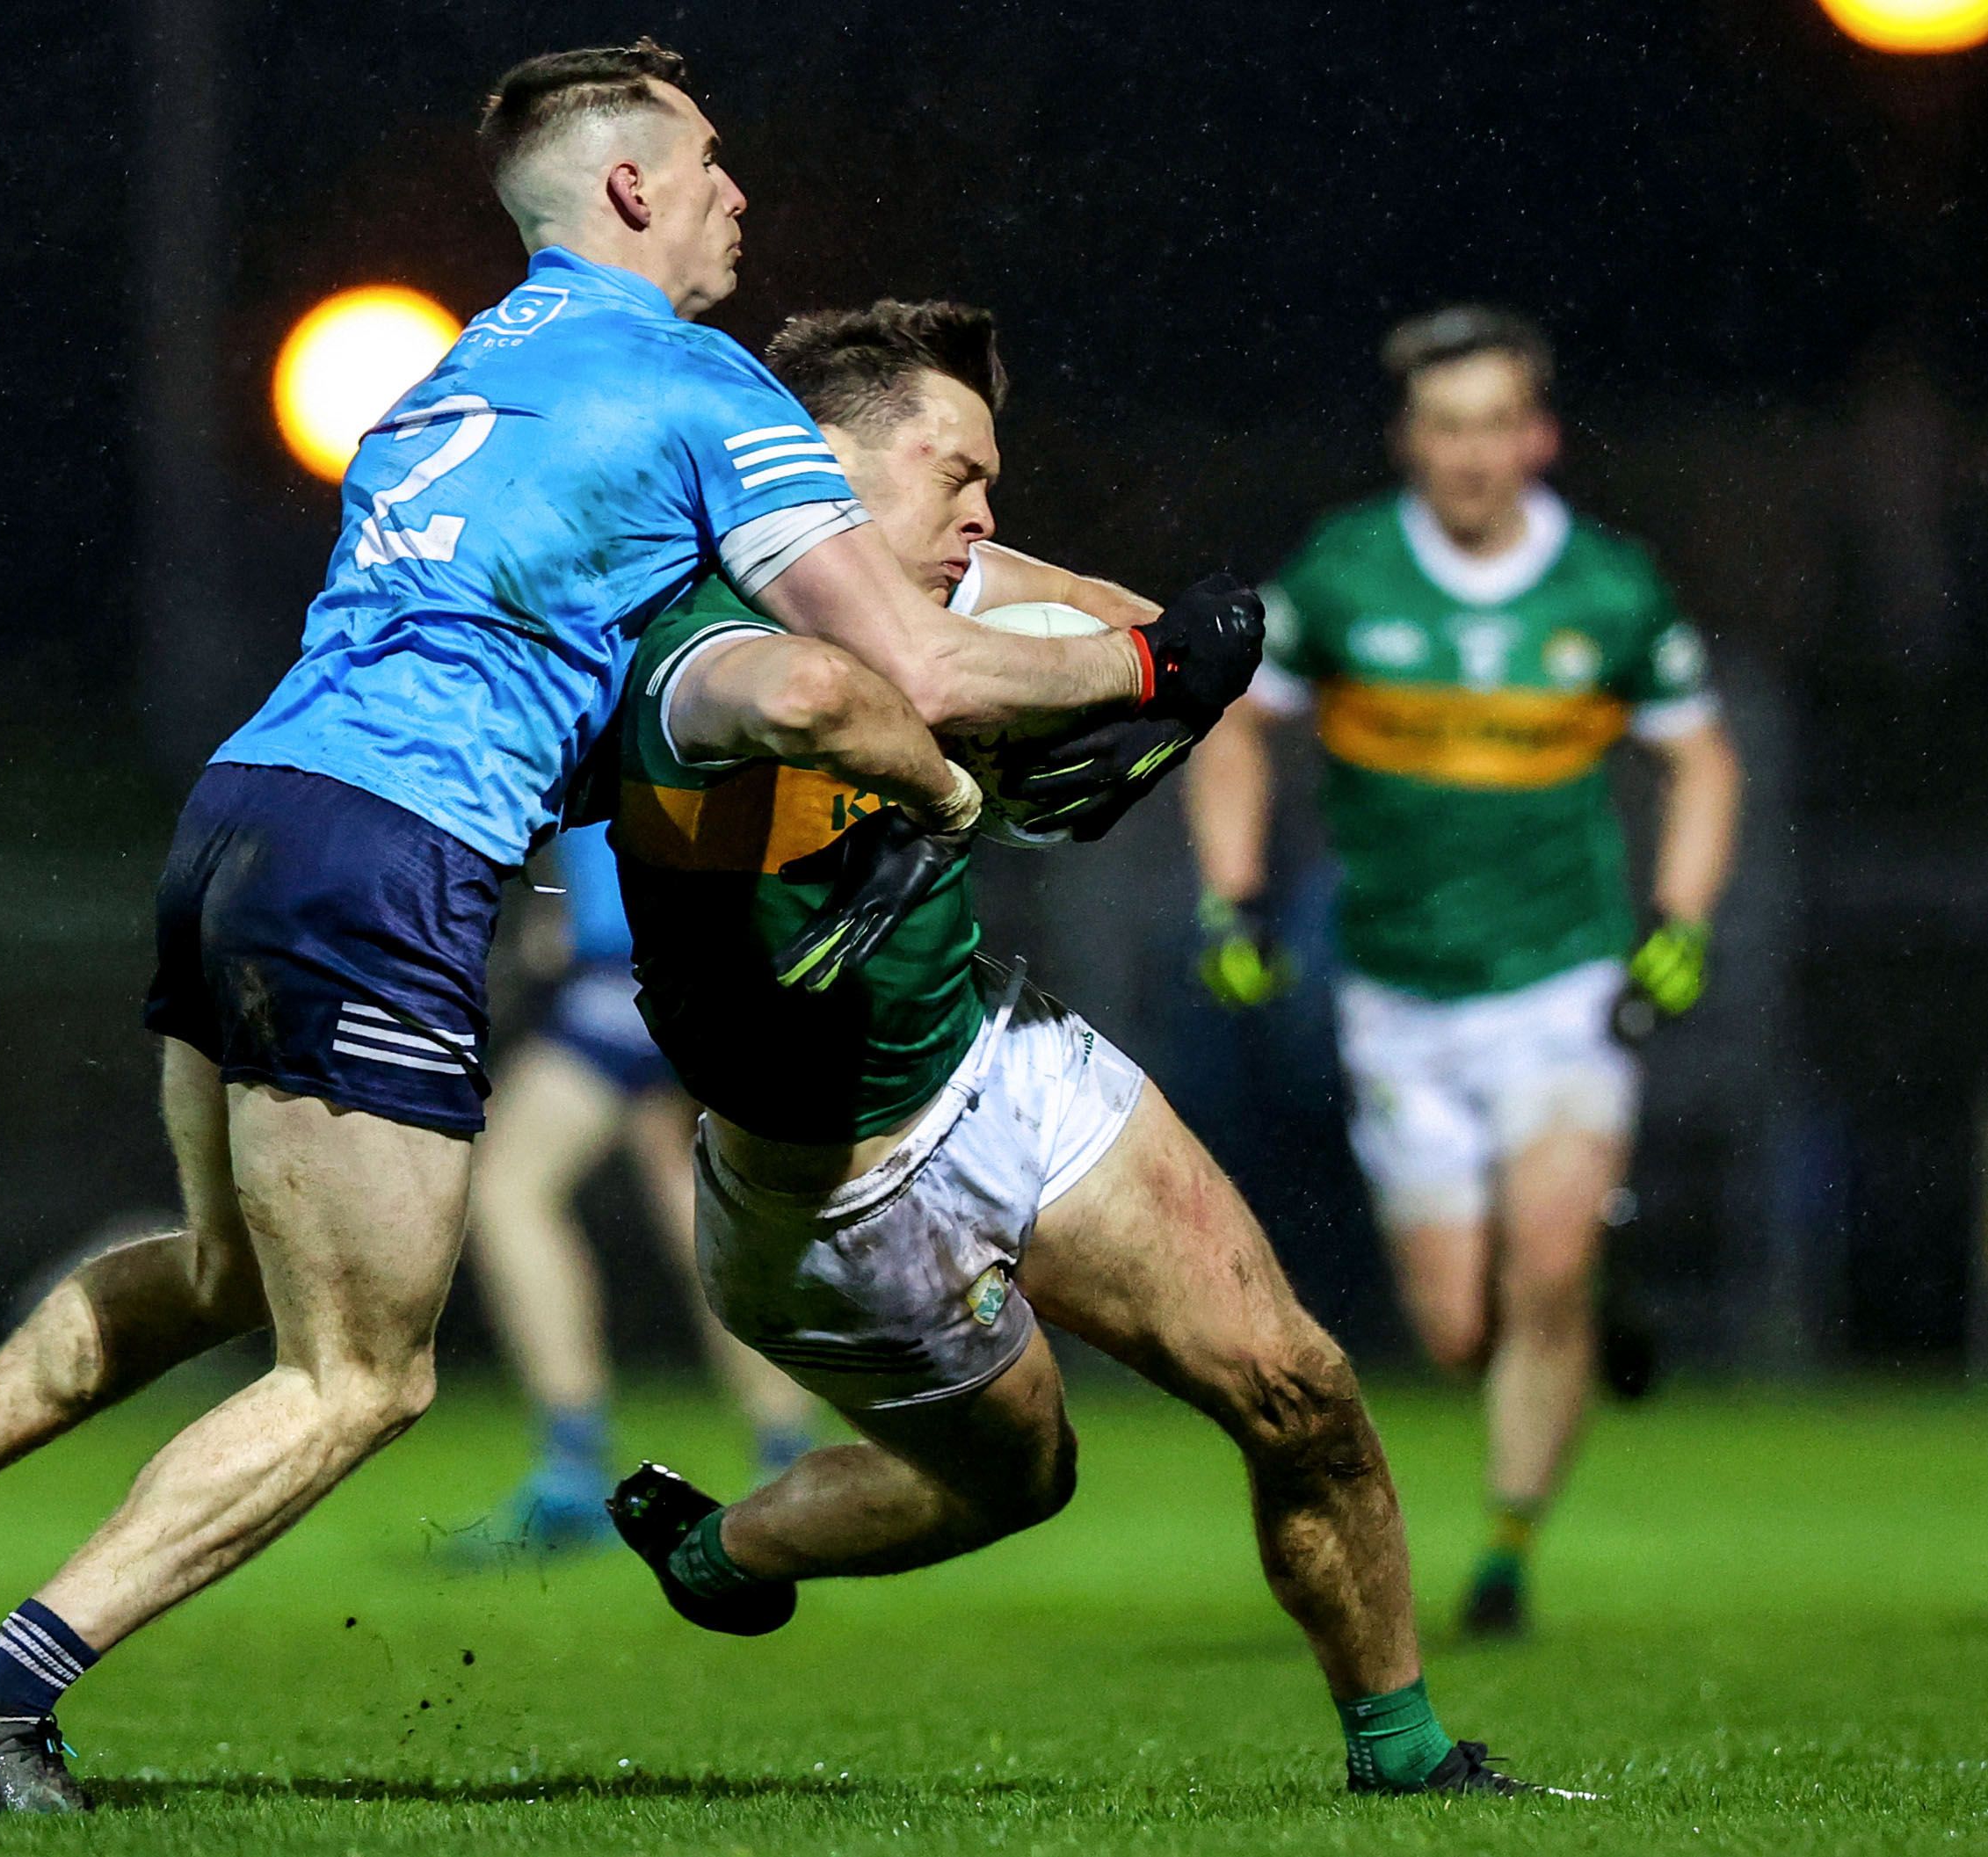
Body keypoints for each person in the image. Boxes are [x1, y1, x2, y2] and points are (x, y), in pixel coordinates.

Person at [0, 40, 1240, 1814]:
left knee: (230, 1271)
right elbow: (904, 661)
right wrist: (1148, 667)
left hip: (244, 812)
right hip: (388, 853)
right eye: (709, 160)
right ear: (627, 186)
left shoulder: (454, 373)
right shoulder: (698, 382)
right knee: (361, 1378)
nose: (737, 192)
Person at [602, 298, 1557, 1796]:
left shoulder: (943, 583)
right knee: (1020, 1478)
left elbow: (1134, 631)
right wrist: (996, 750)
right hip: (825, 1197)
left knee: (1296, 1383)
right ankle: (723, 1546)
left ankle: (1407, 1756)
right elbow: (841, 693)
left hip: (1001, 1064)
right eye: (957, 474)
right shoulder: (693, 631)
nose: (985, 513)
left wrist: (1154, 681)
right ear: (817, 466)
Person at [1184, 306, 1742, 1637]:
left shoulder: (1606, 586)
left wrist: (1680, 918)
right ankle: (1582, 1314)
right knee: (1454, 1329)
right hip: (1396, 994)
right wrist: (1233, 896)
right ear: (1408, 439)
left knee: (1541, 1266)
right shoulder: (1346, 573)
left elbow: (1703, 759)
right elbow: (1236, 727)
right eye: (1446, 426)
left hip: (1560, 984)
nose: (1472, 454)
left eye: (1496, 424)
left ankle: (1503, 1550)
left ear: (1538, 437)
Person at [457, 822, 811, 1558]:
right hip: (715, 957)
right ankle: (787, 1458)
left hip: (639, 965)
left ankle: (572, 1468)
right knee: (695, 1194)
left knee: (509, 1188)